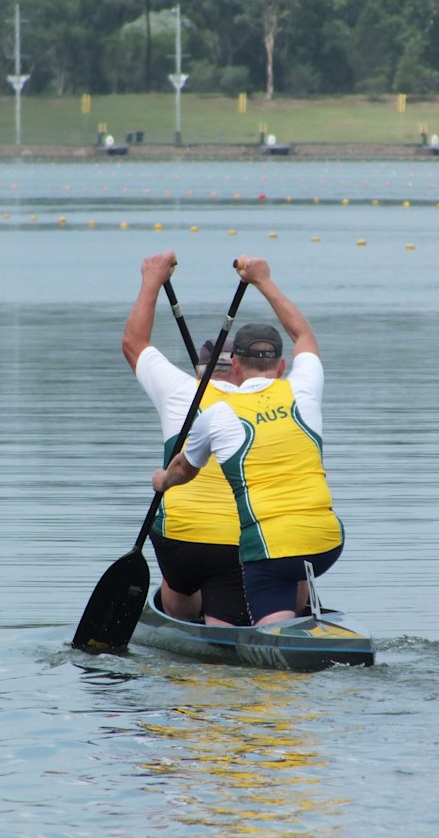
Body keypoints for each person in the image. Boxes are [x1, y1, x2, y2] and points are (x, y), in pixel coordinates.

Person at [152, 257, 344, 626]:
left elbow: (182, 470)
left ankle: (260, 633)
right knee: (292, 564)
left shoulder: (219, 414)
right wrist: (264, 281)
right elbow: (304, 336)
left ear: (234, 369)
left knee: (256, 606)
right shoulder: (302, 392)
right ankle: (300, 618)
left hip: (269, 551)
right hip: (327, 544)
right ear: (282, 366)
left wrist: (162, 481)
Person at [122, 251, 250, 627]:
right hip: (254, 538)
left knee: (181, 575)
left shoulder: (181, 391)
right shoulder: (273, 398)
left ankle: (181, 614)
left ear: (200, 372)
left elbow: (133, 343)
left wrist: (152, 280)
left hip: (184, 544)